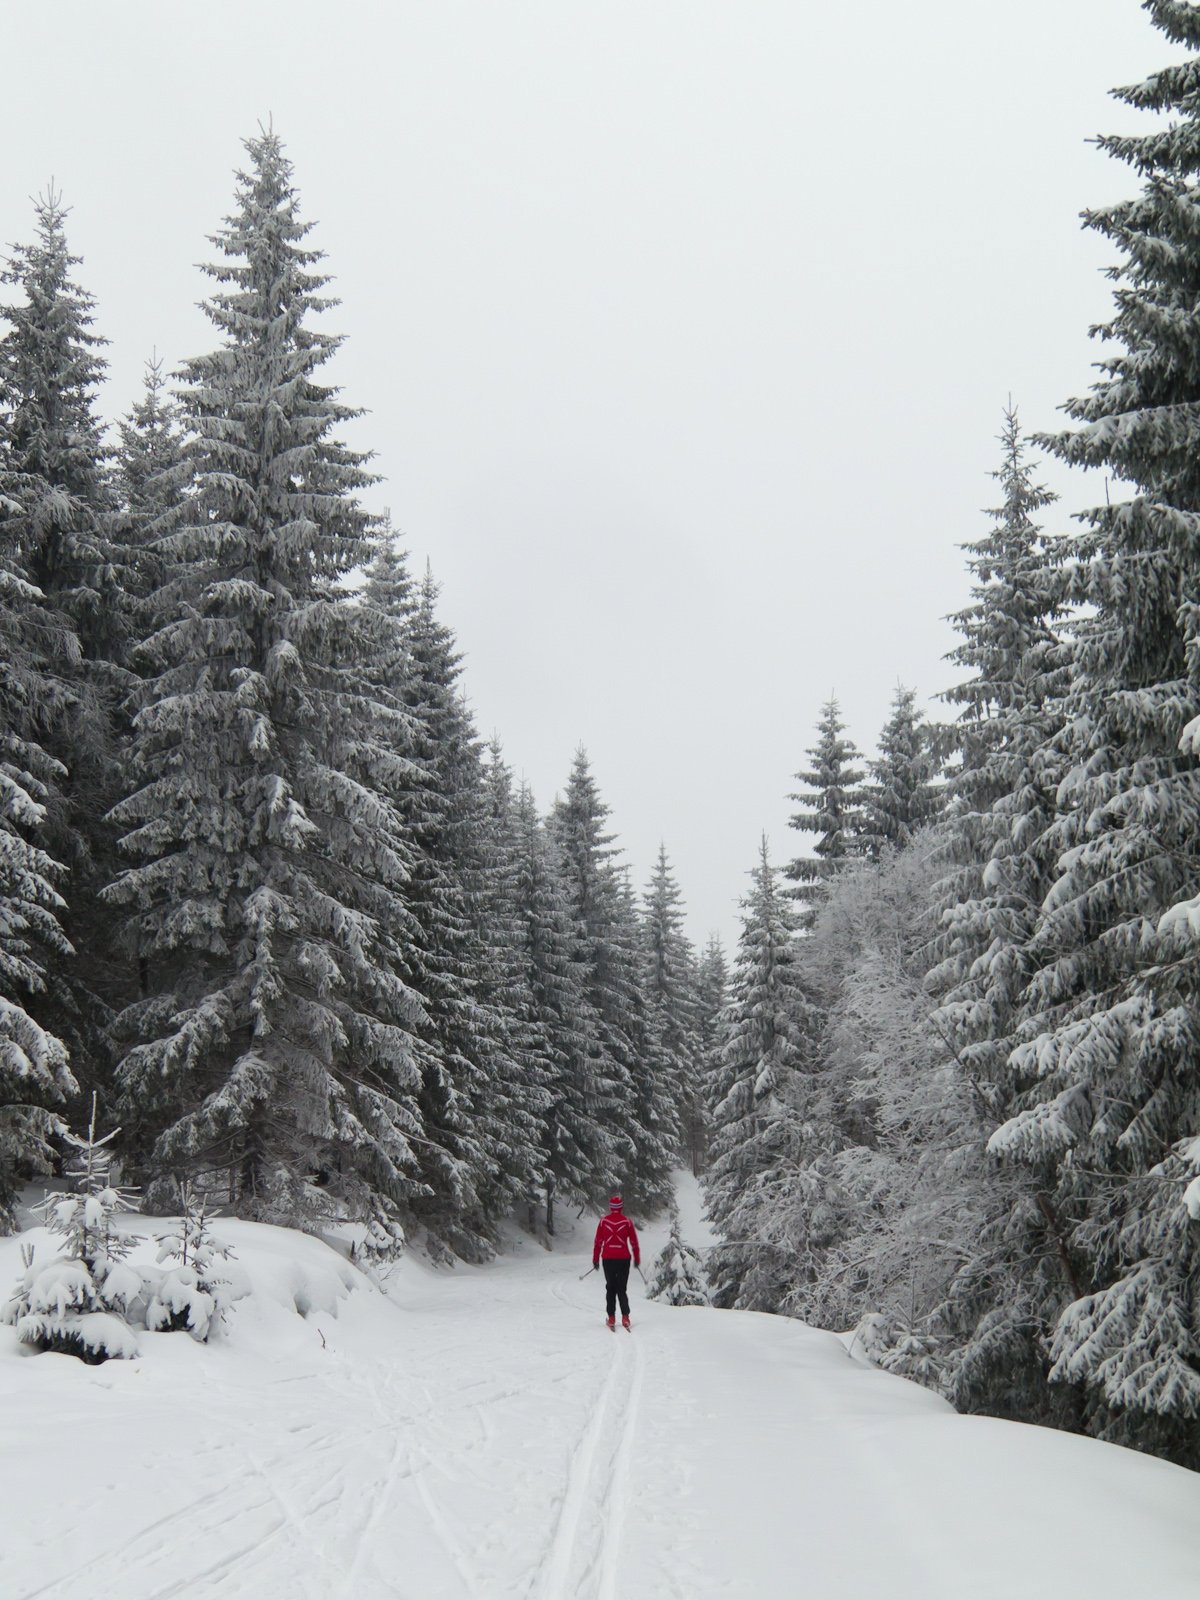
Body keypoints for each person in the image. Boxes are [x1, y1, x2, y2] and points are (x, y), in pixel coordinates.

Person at [592, 1194, 640, 1329]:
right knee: (621, 1288)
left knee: (610, 1287)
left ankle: (611, 1318)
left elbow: (598, 1242)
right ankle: (625, 1317)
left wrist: (595, 1259)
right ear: (621, 1208)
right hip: (624, 1258)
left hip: (608, 1258)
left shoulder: (603, 1222)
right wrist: (636, 1258)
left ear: (610, 1207)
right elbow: (634, 1242)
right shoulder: (627, 1222)